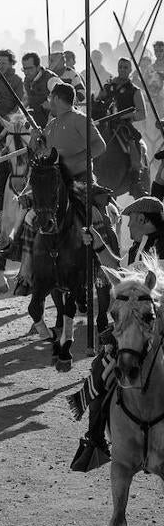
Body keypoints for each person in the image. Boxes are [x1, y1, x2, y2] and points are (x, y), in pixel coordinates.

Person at [73, 195, 164, 470]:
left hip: (157, 324)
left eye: (130, 221)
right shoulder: (138, 248)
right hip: (131, 325)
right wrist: (97, 243)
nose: (127, 226)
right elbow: (119, 270)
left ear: (144, 221)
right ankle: (96, 438)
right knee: (100, 368)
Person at [12, 82, 108, 294]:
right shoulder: (51, 125)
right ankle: (26, 273)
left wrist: (72, 161)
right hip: (54, 185)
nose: (47, 102)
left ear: (56, 98)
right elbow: (39, 159)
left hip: (80, 181)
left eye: (49, 98)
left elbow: (100, 146)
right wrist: (34, 143)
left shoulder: (80, 119)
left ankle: (103, 268)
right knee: (29, 218)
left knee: (95, 215)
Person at [94, 57, 148, 180]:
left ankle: (135, 174)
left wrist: (126, 115)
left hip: (123, 125)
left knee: (133, 140)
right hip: (105, 122)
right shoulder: (108, 86)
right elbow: (98, 103)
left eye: (125, 67)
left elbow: (142, 114)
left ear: (130, 70)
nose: (122, 70)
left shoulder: (134, 90)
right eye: (120, 67)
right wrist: (98, 98)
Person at [21, 51, 58, 126]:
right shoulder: (26, 80)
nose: (27, 72)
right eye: (25, 69)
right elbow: (26, 100)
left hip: (53, 125)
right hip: (35, 125)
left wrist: (51, 105)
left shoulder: (51, 79)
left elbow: (67, 100)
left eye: (30, 68)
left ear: (38, 67)